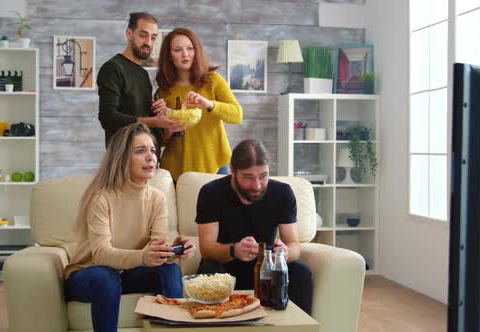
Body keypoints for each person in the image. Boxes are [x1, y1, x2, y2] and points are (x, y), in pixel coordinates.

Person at [64, 123, 196, 332]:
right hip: (89, 276)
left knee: (170, 270)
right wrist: (143, 258)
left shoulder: (157, 199)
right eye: (140, 151)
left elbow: (155, 250)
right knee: (106, 276)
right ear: (123, 158)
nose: (150, 157)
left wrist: (171, 251)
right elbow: (100, 254)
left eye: (152, 150)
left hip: (128, 274)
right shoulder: (101, 197)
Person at [195, 139, 313, 314]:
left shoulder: (282, 193)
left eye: (263, 176)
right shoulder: (211, 193)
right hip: (225, 268)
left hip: (266, 270)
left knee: (301, 271)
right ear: (233, 171)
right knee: (209, 270)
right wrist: (234, 250)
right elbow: (206, 250)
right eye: (248, 178)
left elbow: (294, 245)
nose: (257, 186)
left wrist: (285, 254)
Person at [155, 27, 243, 181]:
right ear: (169, 55)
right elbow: (161, 141)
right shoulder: (164, 90)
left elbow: (237, 115)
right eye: (178, 50)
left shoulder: (213, 80)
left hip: (215, 164)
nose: (185, 54)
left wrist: (209, 104)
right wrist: (168, 128)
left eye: (190, 48)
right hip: (174, 169)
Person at [97, 12, 182, 148]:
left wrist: (162, 116)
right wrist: (153, 121)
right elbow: (107, 118)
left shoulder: (143, 74)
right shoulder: (113, 68)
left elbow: (150, 130)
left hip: (147, 159)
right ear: (129, 34)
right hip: (123, 159)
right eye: (143, 35)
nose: (148, 42)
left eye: (153, 37)